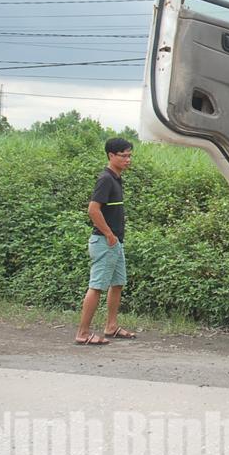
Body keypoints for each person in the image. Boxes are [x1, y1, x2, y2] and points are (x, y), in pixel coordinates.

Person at [74, 137, 136, 346]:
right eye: (124, 155)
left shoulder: (117, 178)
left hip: (116, 242)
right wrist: (109, 234)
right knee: (97, 287)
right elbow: (93, 209)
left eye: (129, 155)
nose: (128, 159)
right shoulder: (106, 179)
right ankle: (82, 333)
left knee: (117, 283)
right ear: (111, 156)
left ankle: (111, 327)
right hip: (104, 242)